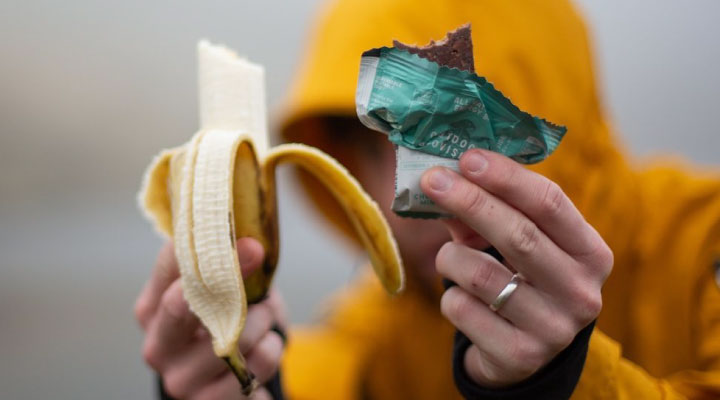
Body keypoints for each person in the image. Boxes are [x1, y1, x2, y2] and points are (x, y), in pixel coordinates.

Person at [134, 0, 720, 398]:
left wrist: (565, 381)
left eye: (437, 137)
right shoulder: (395, 314)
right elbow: (318, 374)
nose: (394, 206)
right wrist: (243, 376)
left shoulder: (704, 239)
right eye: (367, 149)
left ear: (531, 108)